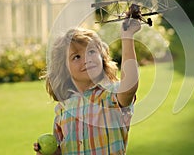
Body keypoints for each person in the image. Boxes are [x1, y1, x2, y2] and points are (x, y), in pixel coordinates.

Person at [34, 19, 141, 155]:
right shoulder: (63, 109)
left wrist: (127, 37)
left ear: (101, 56)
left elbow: (130, 85)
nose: (87, 59)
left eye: (91, 52)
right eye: (77, 57)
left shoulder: (111, 94)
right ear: (64, 69)